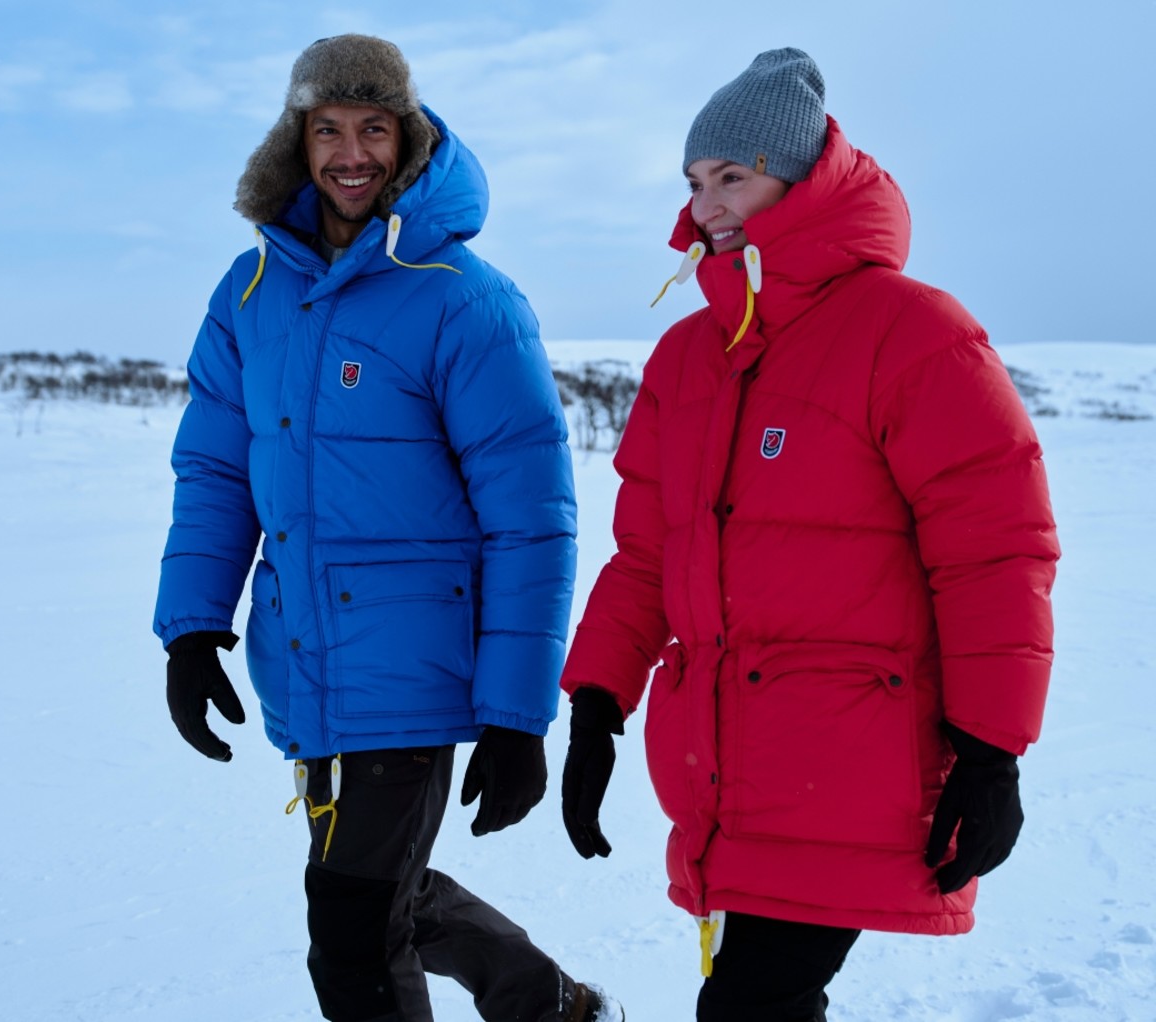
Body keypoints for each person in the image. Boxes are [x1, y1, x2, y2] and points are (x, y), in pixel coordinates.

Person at [559, 47, 1059, 1021]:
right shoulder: (686, 355)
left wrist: (994, 749)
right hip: (726, 769)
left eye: (732, 177)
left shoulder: (910, 333)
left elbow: (996, 550)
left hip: (853, 767)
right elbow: (648, 555)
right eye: (697, 182)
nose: (708, 205)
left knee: (749, 1005)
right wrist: (595, 701)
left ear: (803, 176)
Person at [154, 33, 623, 1022]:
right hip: (307, 660)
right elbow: (214, 471)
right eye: (329, 129)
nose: (351, 154)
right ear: (299, 141)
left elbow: (531, 522)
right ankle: (560, 1009)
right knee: (382, 898)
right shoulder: (247, 294)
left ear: (406, 140)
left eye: (374, 128)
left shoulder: (466, 299)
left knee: (354, 940)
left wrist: (515, 711)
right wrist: (192, 627)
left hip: (418, 670)